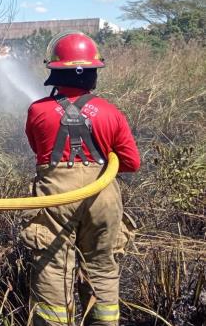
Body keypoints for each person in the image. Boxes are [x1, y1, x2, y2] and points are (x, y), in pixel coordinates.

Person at [22, 31, 141, 325]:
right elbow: (131, 163)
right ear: (92, 74)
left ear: (54, 72)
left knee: (52, 266)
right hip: (103, 198)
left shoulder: (38, 110)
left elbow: (38, 150)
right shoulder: (112, 113)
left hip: (55, 198)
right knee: (101, 267)